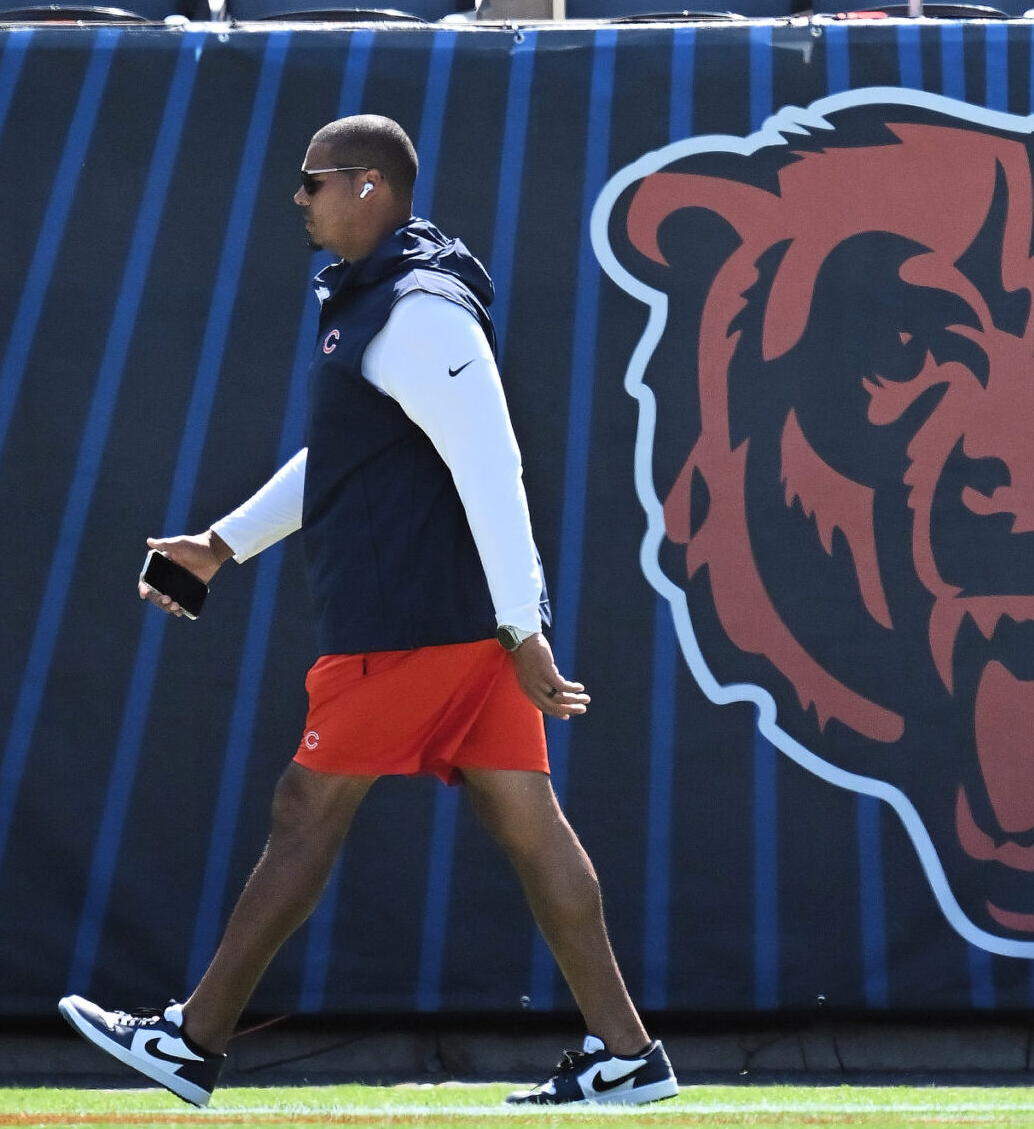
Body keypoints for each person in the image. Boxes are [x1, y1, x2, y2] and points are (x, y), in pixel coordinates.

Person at [57, 115, 675, 1109]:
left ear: (369, 186)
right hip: (449, 623)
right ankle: (627, 1055)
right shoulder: (375, 302)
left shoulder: (421, 310)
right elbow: (345, 457)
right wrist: (221, 544)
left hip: (416, 628)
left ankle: (192, 1040)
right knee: (531, 825)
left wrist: (524, 627)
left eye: (311, 181)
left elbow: (494, 466)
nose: (296, 199)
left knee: (303, 814)